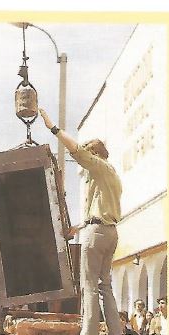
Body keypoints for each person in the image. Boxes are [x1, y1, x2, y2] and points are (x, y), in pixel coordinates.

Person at [39, 108, 122, 335]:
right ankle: (117, 332)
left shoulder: (98, 166)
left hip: (96, 233)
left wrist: (52, 128)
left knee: (89, 287)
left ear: (94, 154)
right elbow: (100, 210)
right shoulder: (112, 175)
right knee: (105, 286)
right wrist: (78, 227)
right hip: (110, 232)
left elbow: (75, 150)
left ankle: (88, 332)